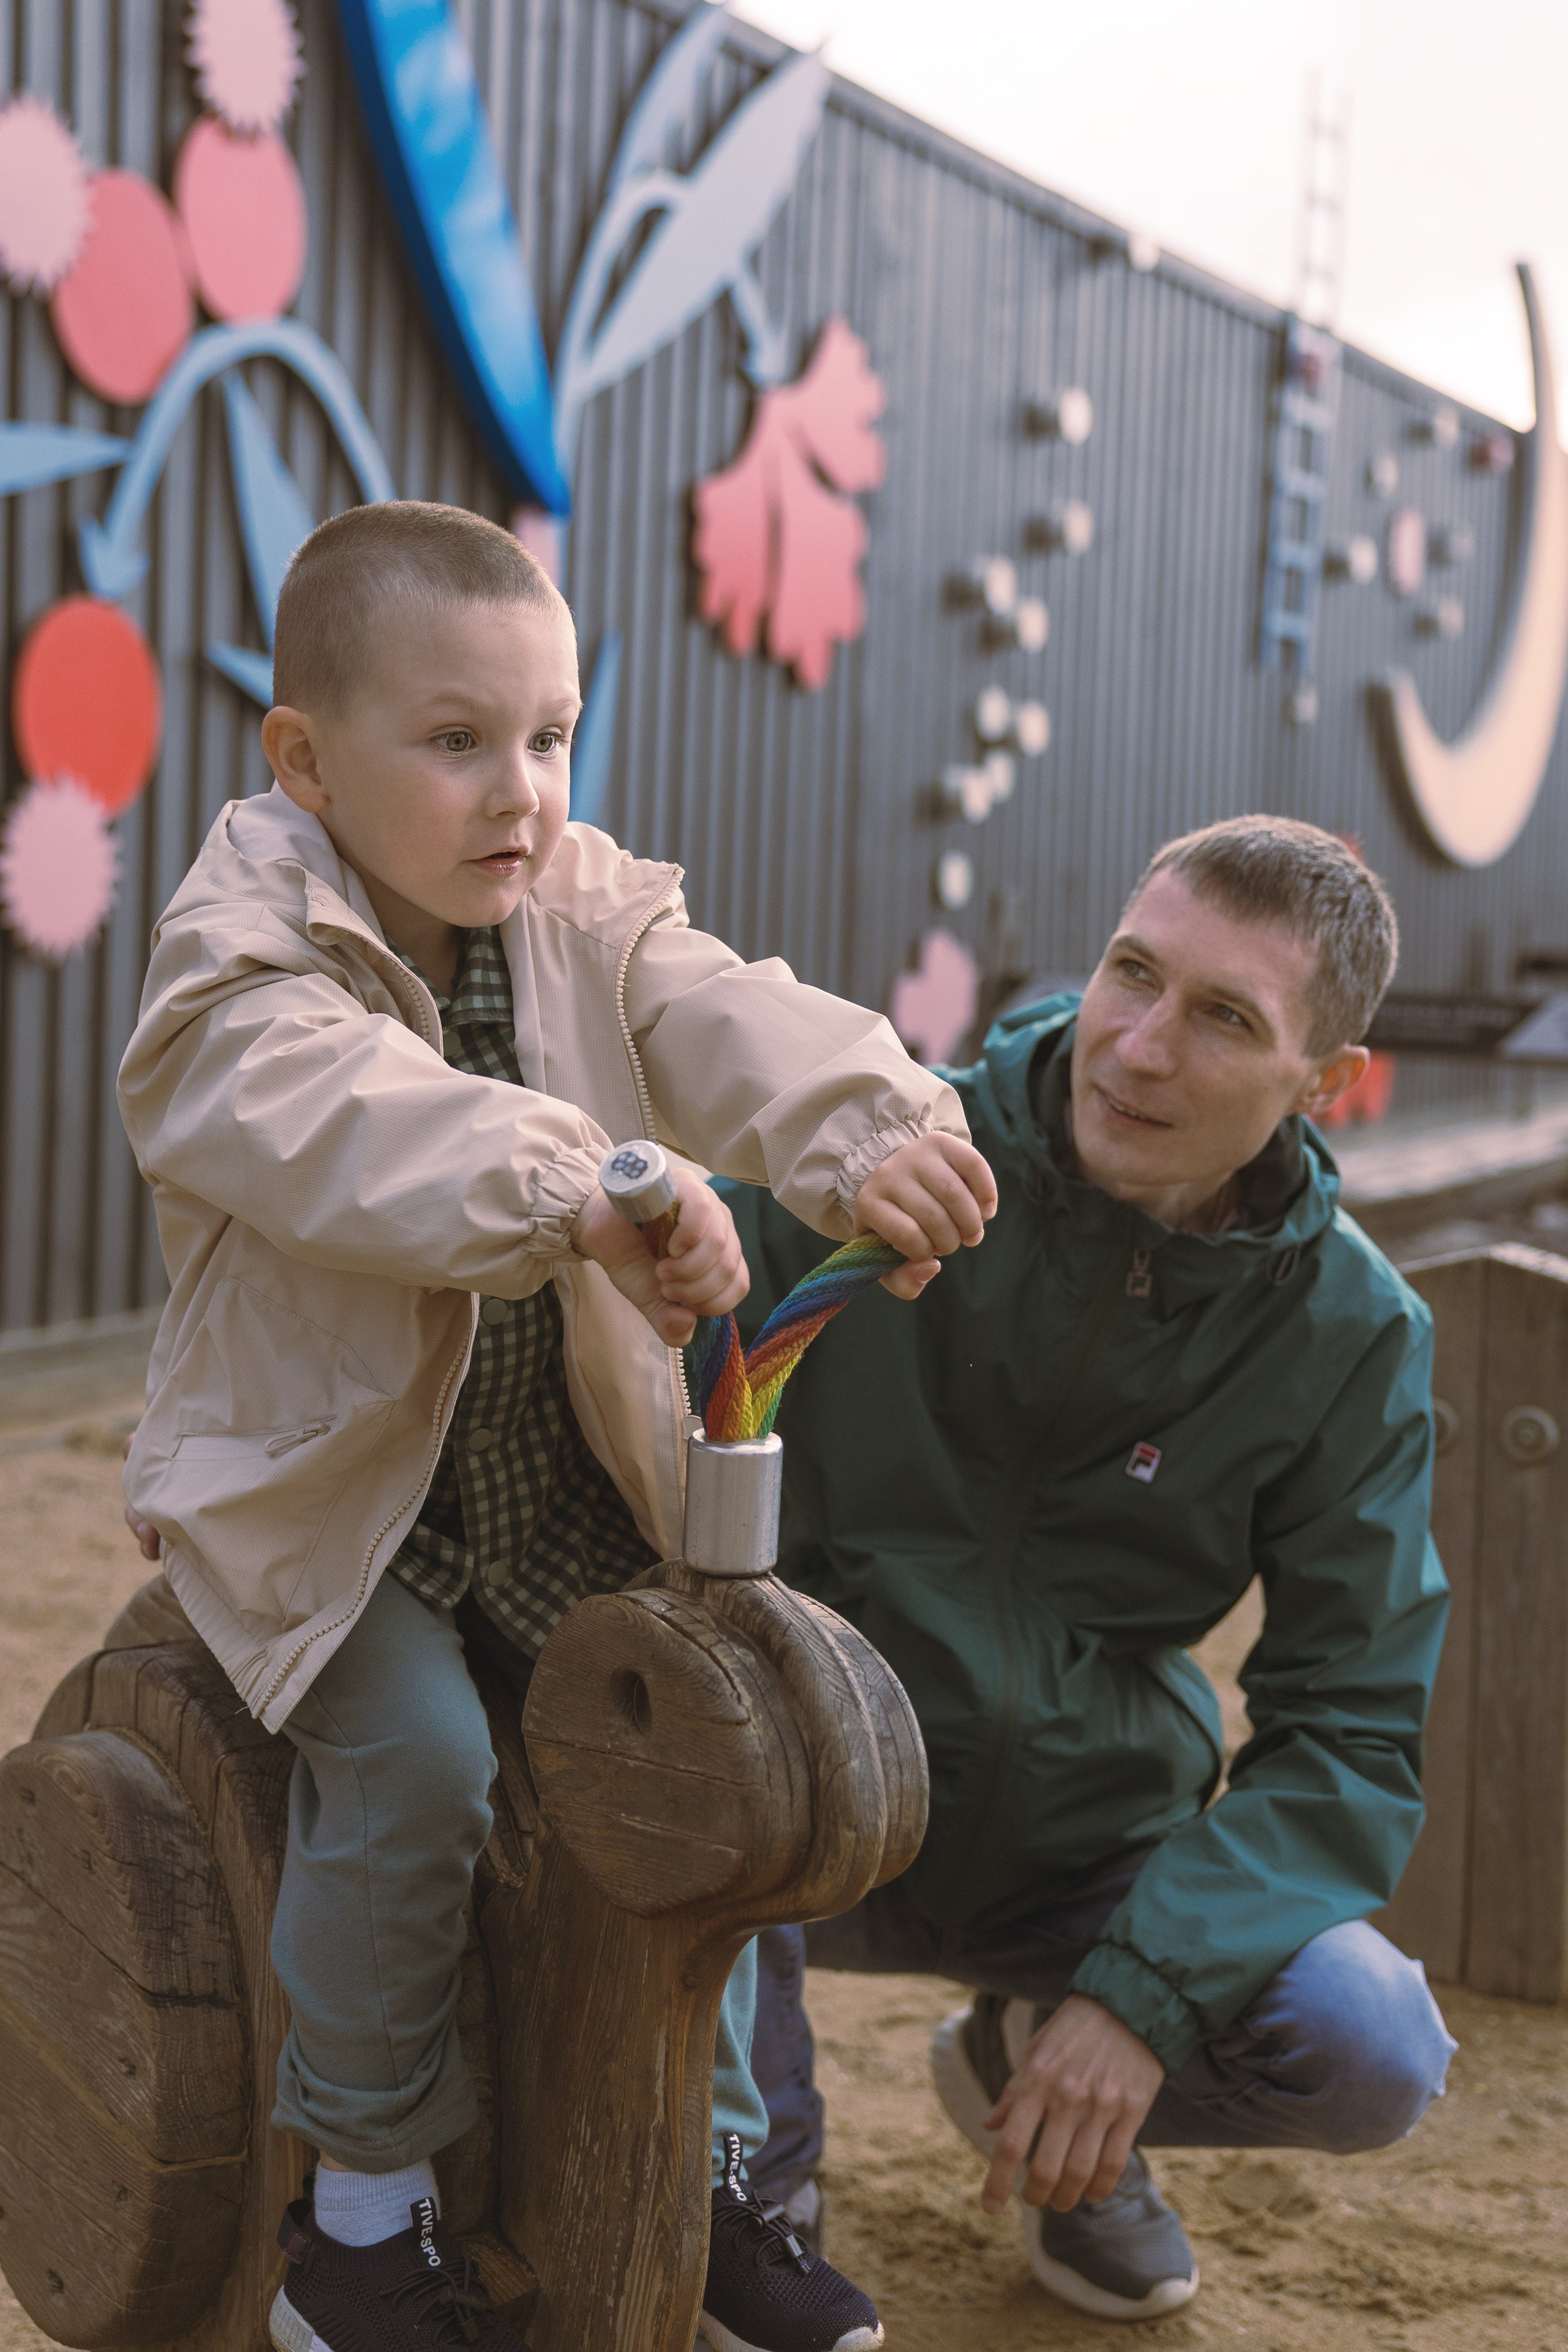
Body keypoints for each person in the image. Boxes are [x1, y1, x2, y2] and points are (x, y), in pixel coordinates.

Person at [117, 501, 997, 2352]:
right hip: (328, 1500)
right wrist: (585, 1180)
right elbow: (345, 1118)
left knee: (727, 1736)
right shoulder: (238, 961)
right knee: (424, 1767)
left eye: (550, 733)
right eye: (455, 741)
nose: (518, 788)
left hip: (555, 1485)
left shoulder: (578, 901)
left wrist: (872, 1126)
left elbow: (726, 1008)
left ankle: (708, 2175)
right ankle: (361, 2223)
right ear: (305, 759)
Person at [722, 816, 1456, 2324]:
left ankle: (1034, 2051)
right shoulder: (872, 1154)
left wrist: (1137, 1997)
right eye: (1132, 972)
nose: (1134, 1046)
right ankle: (754, 2180)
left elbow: (1350, 1733)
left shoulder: (1350, 1333)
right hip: (790, 1803)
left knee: (1369, 2045)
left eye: (1221, 1019)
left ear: (1324, 1085)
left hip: (1074, 1842)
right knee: (649, 1815)